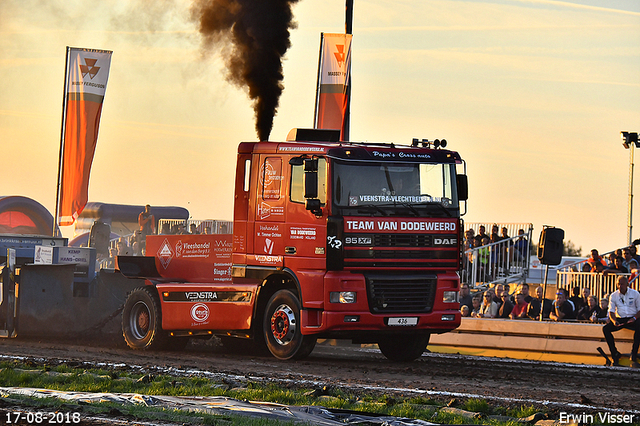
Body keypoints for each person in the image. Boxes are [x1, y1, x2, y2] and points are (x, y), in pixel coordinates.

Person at [602, 276, 640, 367]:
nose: (620, 286)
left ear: (627, 284)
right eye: (618, 284)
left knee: (639, 326)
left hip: (633, 317)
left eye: (622, 284)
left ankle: (634, 353)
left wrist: (634, 318)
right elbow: (611, 311)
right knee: (606, 329)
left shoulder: (635, 294)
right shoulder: (613, 295)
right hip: (620, 318)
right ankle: (614, 353)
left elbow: (639, 310)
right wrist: (614, 321)